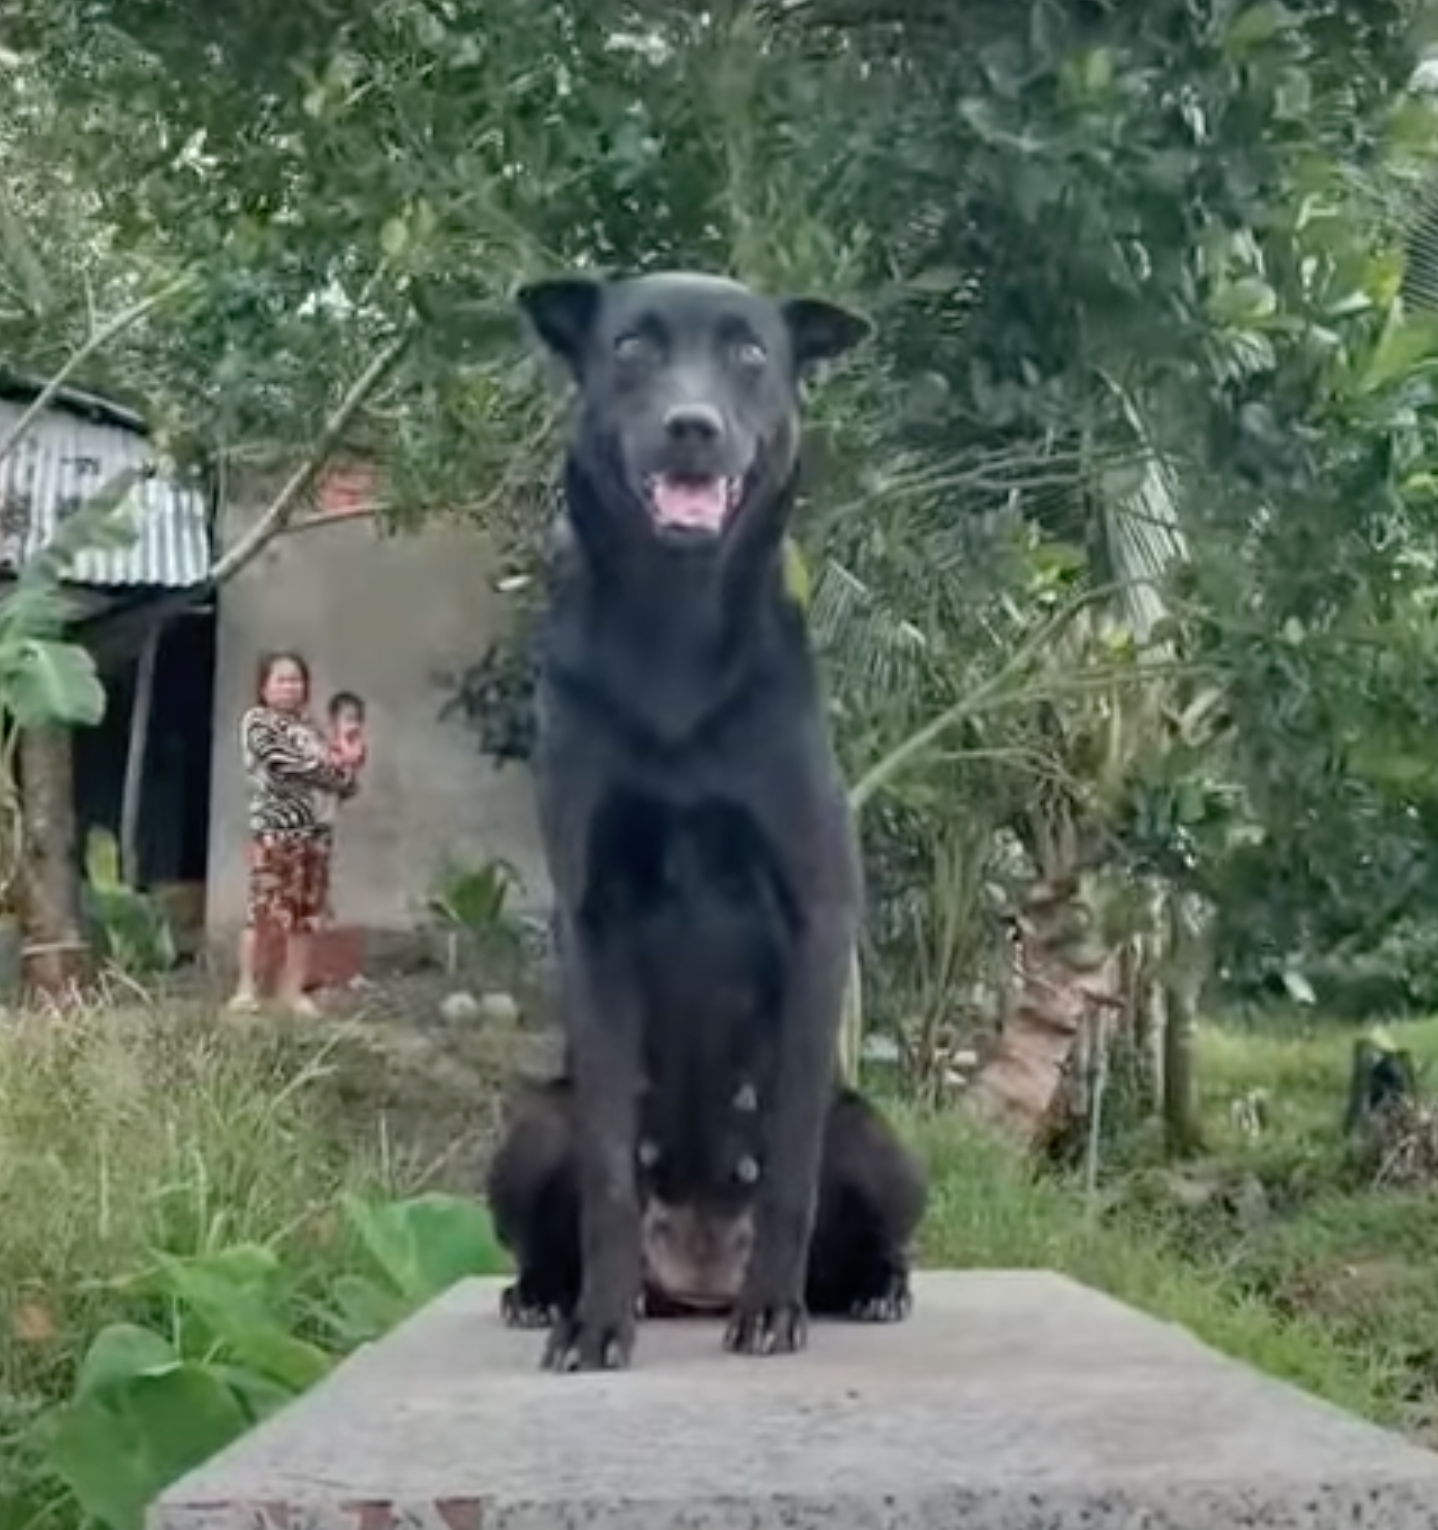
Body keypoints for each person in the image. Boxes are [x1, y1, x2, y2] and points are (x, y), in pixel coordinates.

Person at [229, 652, 357, 1017]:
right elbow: (290, 765)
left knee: (305, 916)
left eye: (296, 680)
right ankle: (246, 990)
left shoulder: (311, 727)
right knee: (264, 912)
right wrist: (330, 770)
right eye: (281, 680)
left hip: (315, 835)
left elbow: (346, 779)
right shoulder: (258, 722)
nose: (289, 687)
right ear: (263, 686)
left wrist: (335, 771)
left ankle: (292, 990)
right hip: (275, 832)